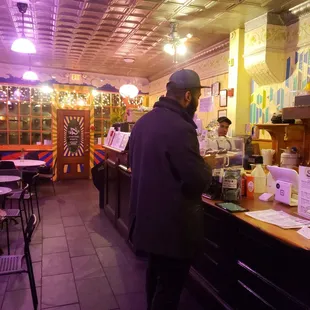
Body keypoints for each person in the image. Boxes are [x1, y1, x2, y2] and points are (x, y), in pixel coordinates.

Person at [128, 69, 213, 310]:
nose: (196, 102)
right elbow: (197, 180)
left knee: (154, 278)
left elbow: (135, 165)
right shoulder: (181, 128)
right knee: (169, 290)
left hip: (146, 221)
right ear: (188, 96)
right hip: (172, 229)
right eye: (197, 96)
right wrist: (207, 166)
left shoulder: (142, 123)